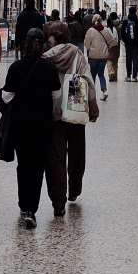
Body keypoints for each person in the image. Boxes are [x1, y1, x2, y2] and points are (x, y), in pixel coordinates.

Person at [0, 27, 61, 229]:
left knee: (24, 165)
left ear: (25, 44)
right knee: (38, 167)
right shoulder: (49, 68)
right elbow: (56, 97)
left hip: (21, 125)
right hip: (42, 124)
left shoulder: (16, 68)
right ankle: (32, 208)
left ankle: (24, 206)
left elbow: (7, 97)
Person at [43, 21, 99, 215]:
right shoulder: (77, 54)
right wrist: (93, 107)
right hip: (75, 108)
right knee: (77, 152)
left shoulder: (45, 57)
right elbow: (88, 81)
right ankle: (74, 189)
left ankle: (58, 200)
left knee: (56, 156)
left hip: (53, 113)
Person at [83, 14, 114, 100]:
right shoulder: (106, 30)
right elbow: (112, 41)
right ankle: (104, 91)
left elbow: (86, 44)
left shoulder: (90, 31)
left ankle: (92, 94)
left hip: (93, 57)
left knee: (92, 75)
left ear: (93, 21)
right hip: (103, 56)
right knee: (101, 74)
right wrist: (107, 47)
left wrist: (90, 49)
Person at [120, 4, 138, 81]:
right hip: (136, 43)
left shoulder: (125, 21)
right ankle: (135, 77)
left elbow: (122, 33)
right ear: (135, 12)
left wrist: (125, 41)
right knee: (135, 59)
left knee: (128, 59)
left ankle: (128, 76)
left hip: (128, 44)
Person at [105, 11, 121, 83]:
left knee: (109, 61)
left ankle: (111, 74)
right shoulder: (118, 26)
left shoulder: (106, 30)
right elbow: (119, 38)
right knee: (115, 62)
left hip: (109, 47)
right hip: (116, 47)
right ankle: (115, 76)